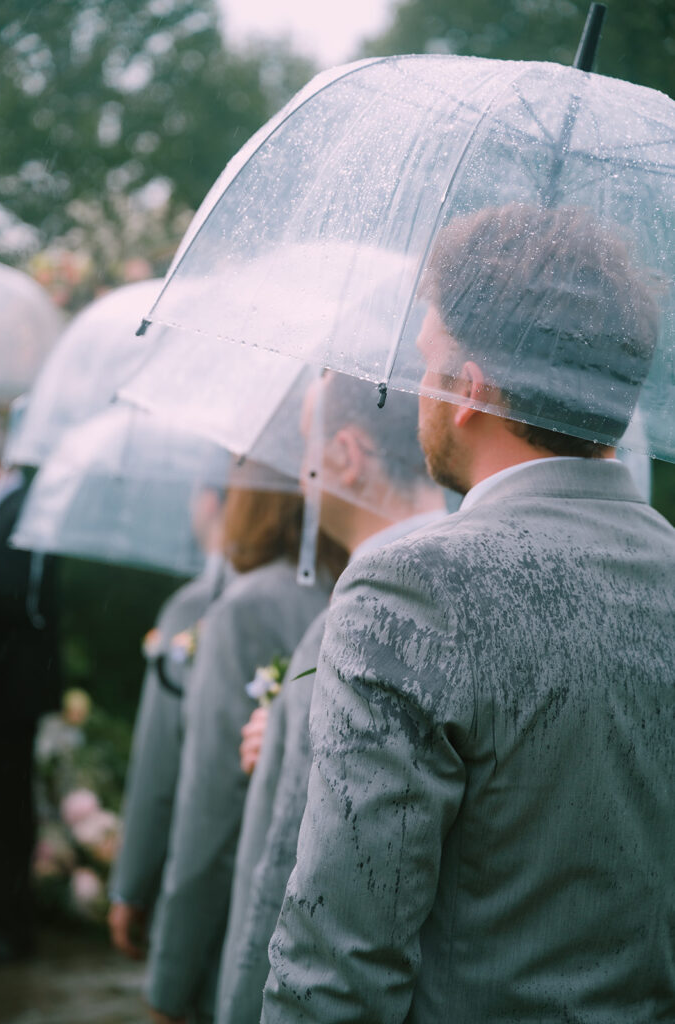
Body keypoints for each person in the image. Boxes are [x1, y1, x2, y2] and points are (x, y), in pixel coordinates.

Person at [262, 204, 675, 1023]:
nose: (415, 386)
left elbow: (342, 952)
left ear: (468, 390)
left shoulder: (415, 590)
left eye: (427, 361)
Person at [217, 373, 450, 1024]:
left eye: (305, 450)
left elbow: (306, 895)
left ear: (346, 455)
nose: (299, 477)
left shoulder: (376, 613)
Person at [144, 467, 345, 1024]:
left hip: (245, 924)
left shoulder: (246, 608)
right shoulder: (349, 583)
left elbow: (209, 800)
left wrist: (170, 971)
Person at [108, 476, 232, 960]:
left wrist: (131, 885)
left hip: (200, 876)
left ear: (208, 502)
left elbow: (159, 758)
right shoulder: (319, 590)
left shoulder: (194, 607)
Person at [0, 466, 61, 963]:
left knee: (8, 805)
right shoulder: (9, 501)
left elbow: (23, 594)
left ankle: (12, 923)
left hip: (12, 689)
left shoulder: (30, 502)